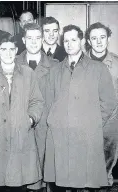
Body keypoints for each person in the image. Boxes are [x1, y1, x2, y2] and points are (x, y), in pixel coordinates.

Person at [44, 25, 117, 192]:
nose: (70, 44)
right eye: (66, 41)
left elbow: (109, 102)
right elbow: (49, 102)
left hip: (87, 135)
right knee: (61, 180)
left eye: (74, 40)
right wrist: (54, 121)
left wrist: (93, 122)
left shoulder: (98, 68)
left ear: (82, 41)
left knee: (85, 182)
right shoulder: (55, 70)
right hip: (61, 134)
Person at [0, 36, 44, 192]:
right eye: (3, 49)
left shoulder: (28, 73)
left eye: (11, 49)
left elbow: (37, 101)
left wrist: (30, 120)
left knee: (18, 183)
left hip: (20, 135)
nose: (8, 53)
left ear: (16, 51)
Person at [18, 23, 58, 191]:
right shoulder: (11, 63)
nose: (34, 42)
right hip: (19, 127)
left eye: (37, 38)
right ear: (23, 40)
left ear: (43, 40)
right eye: (30, 38)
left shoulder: (55, 66)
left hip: (45, 129)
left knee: (42, 176)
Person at [85, 22, 118, 187]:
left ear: (109, 39)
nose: (98, 42)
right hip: (85, 119)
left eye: (102, 37)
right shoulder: (80, 62)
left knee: (107, 162)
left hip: (111, 121)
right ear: (89, 41)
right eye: (94, 38)